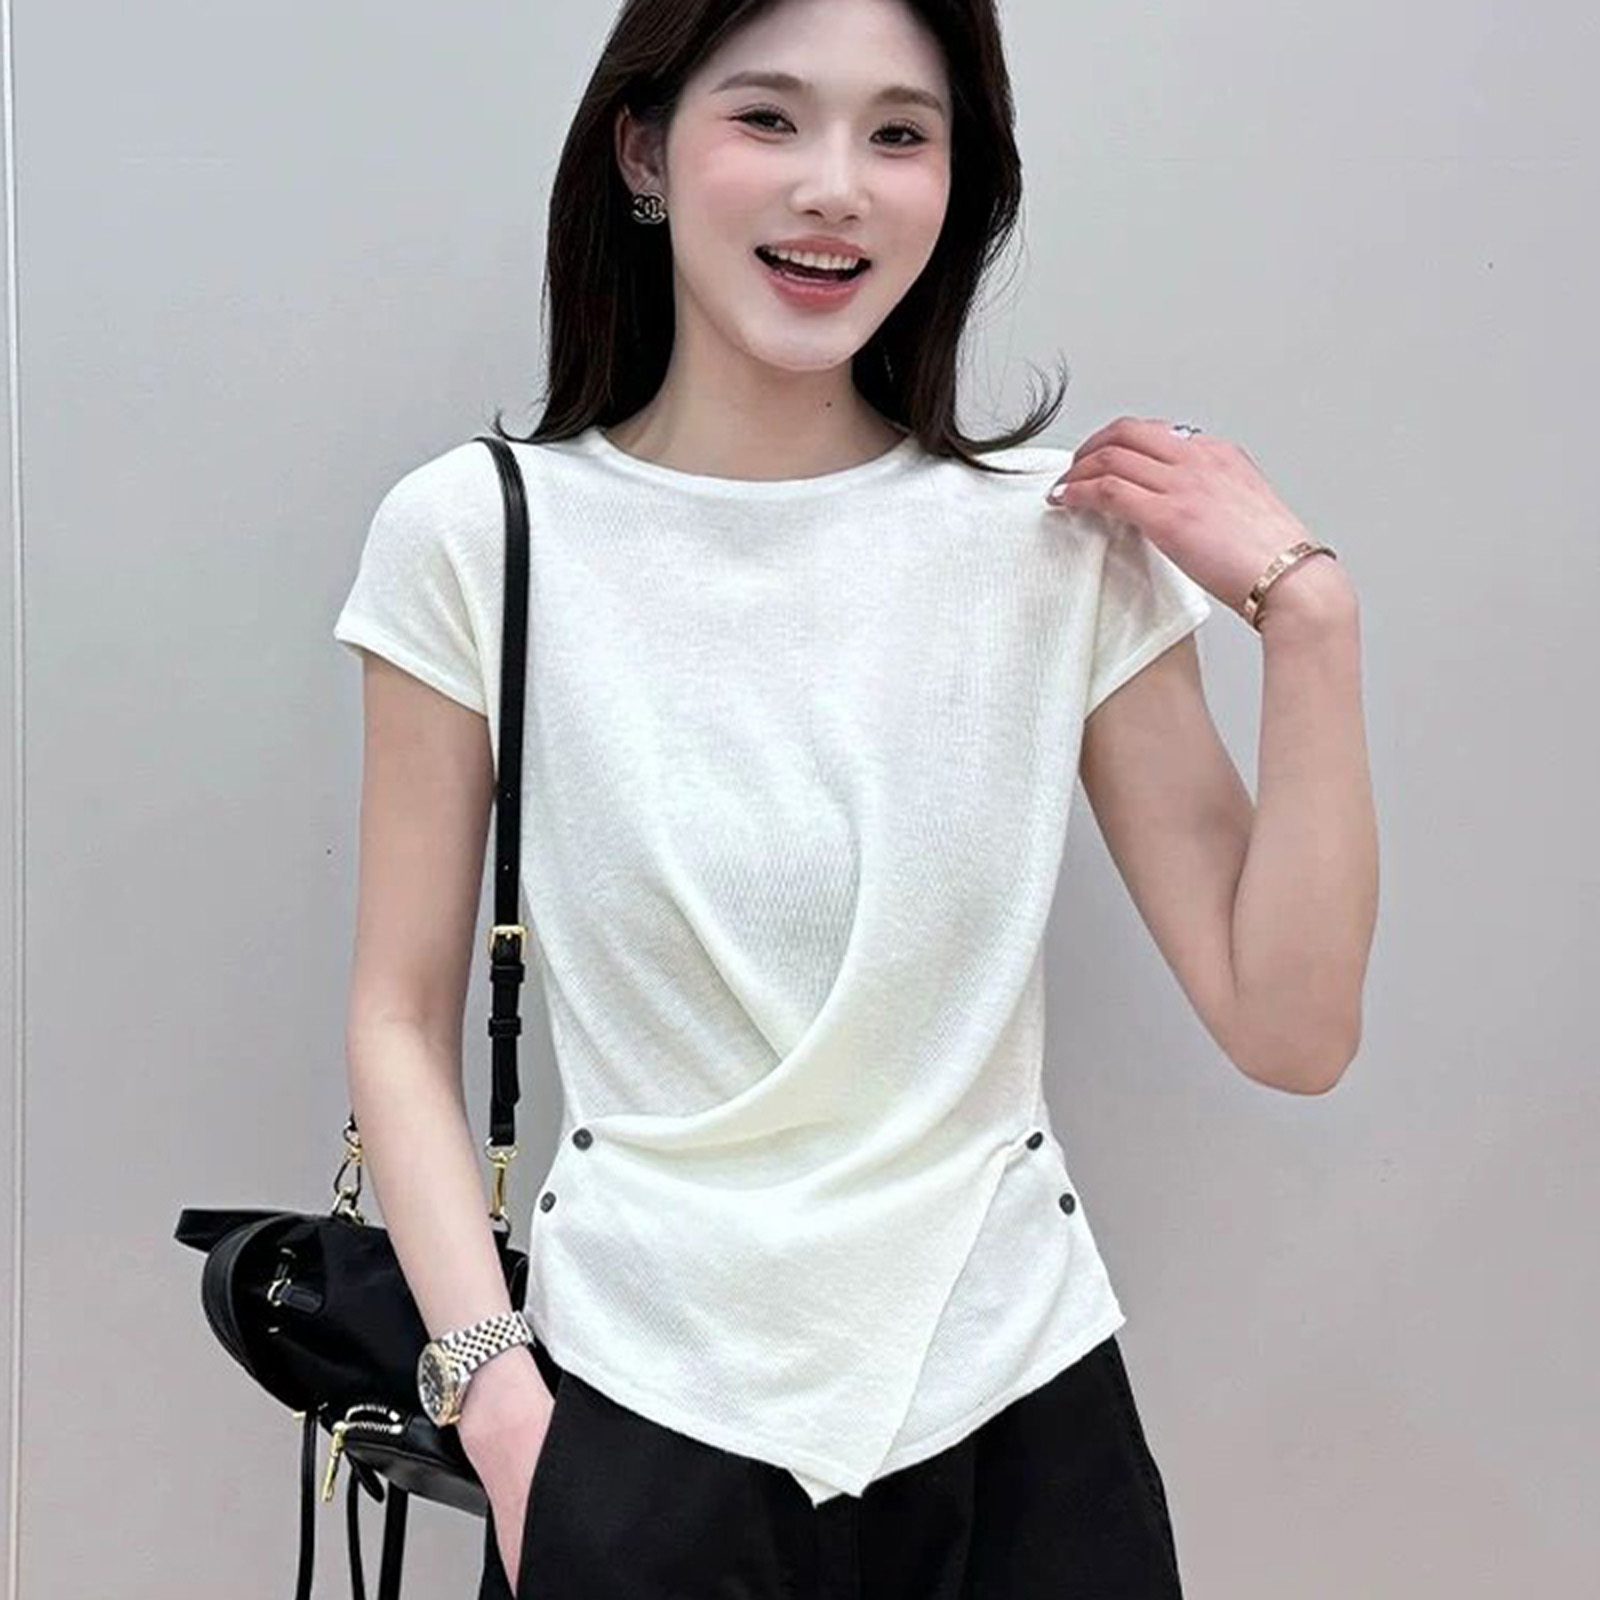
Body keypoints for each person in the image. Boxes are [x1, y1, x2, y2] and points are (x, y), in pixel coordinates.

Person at [331, 0, 1377, 1595]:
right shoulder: (479, 533)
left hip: (1020, 1416)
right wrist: (503, 1409)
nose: (837, 186)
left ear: (961, 182)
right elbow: (398, 1016)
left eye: (900, 133)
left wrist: (1309, 618)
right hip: (640, 1415)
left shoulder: (1056, 539)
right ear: (642, 152)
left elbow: (1290, 1031)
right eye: (769, 118)